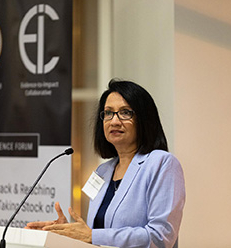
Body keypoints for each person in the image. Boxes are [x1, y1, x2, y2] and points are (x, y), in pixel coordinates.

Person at [26, 79, 186, 248]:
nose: (114, 121)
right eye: (108, 113)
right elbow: (97, 233)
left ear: (144, 119)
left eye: (125, 112)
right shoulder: (102, 171)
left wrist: (91, 235)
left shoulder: (162, 164)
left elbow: (160, 237)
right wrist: (67, 232)